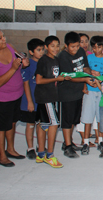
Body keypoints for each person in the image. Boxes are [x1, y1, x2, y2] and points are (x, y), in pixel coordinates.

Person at [0, 26, 30, 167]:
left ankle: (11, 149)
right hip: (1, 99)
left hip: (16, 95)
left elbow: (20, 59)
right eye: (0, 38)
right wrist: (14, 68)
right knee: (1, 127)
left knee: (12, 123)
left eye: (3, 36)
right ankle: (2, 156)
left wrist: (24, 62)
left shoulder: (9, 47)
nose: (4, 39)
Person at [58, 31, 97, 158]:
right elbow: (69, 77)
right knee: (67, 121)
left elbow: (85, 67)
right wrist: (85, 80)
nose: (75, 49)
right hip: (67, 93)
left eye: (77, 46)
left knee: (74, 119)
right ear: (66, 45)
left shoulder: (80, 51)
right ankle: (68, 147)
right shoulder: (63, 57)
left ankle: (68, 142)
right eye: (72, 47)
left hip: (78, 92)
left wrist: (90, 74)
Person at [35, 35, 67, 168]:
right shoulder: (43, 61)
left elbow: (57, 76)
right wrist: (56, 80)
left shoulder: (56, 60)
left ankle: (41, 154)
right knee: (54, 124)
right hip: (45, 97)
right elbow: (39, 80)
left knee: (43, 124)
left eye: (57, 45)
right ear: (46, 47)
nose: (55, 48)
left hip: (52, 96)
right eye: (52, 46)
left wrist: (63, 78)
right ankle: (50, 155)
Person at [78, 36, 103, 154]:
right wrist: (85, 85)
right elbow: (84, 71)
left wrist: (99, 79)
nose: (96, 49)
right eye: (94, 47)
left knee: (100, 117)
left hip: (101, 92)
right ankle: (85, 142)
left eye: (99, 47)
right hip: (89, 91)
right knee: (87, 117)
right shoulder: (88, 57)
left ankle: (100, 140)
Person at [19, 38, 45, 160]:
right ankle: (30, 148)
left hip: (42, 100)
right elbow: (25, 83)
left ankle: (41, 146)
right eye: (38, 50)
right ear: (31, 51)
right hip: (31, 100)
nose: (41, 52)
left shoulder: (44, 62)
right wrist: (29, 101)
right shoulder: (28, 65)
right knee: (30, 125)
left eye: (42, 49)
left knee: (41, 124)